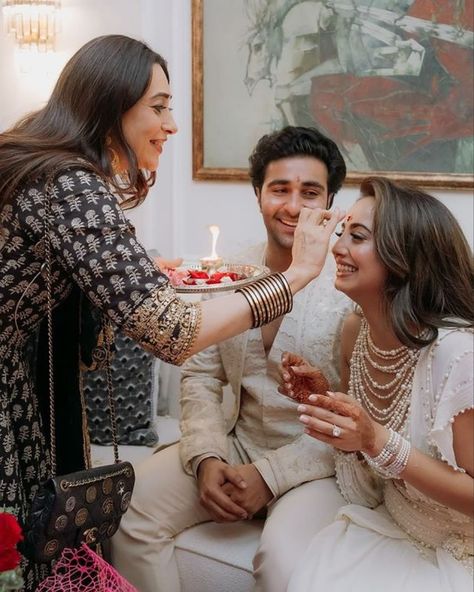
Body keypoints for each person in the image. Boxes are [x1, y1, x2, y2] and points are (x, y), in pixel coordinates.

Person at [0, 36, 343, 591]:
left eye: (311, 191)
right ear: (112, 105)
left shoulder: (355, 288)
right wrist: (294, 277)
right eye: (159, 107)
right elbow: (178, 340)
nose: (172, 125)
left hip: (304, 464)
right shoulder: (69, 184)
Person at [111, 125, 351, 592]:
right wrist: (205, 457)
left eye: (311, 192)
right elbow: (200, 375)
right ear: (258, 194)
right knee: (125, 509)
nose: (294, 206)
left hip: (318, 465)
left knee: (282, 563)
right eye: (280, 189)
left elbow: (364, 414)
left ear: (331, 203)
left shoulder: (351, 288)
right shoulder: (232, 274)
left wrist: (269, 476)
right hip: (235, 443)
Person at [279, 177, 473, 592]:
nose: (338, 247)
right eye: (342, 232)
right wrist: (327, 404)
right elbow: (369, 476)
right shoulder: (356, 333)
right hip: (393, 522)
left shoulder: (457, 355)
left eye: (358, 236)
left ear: (403, 257)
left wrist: (377, 440)